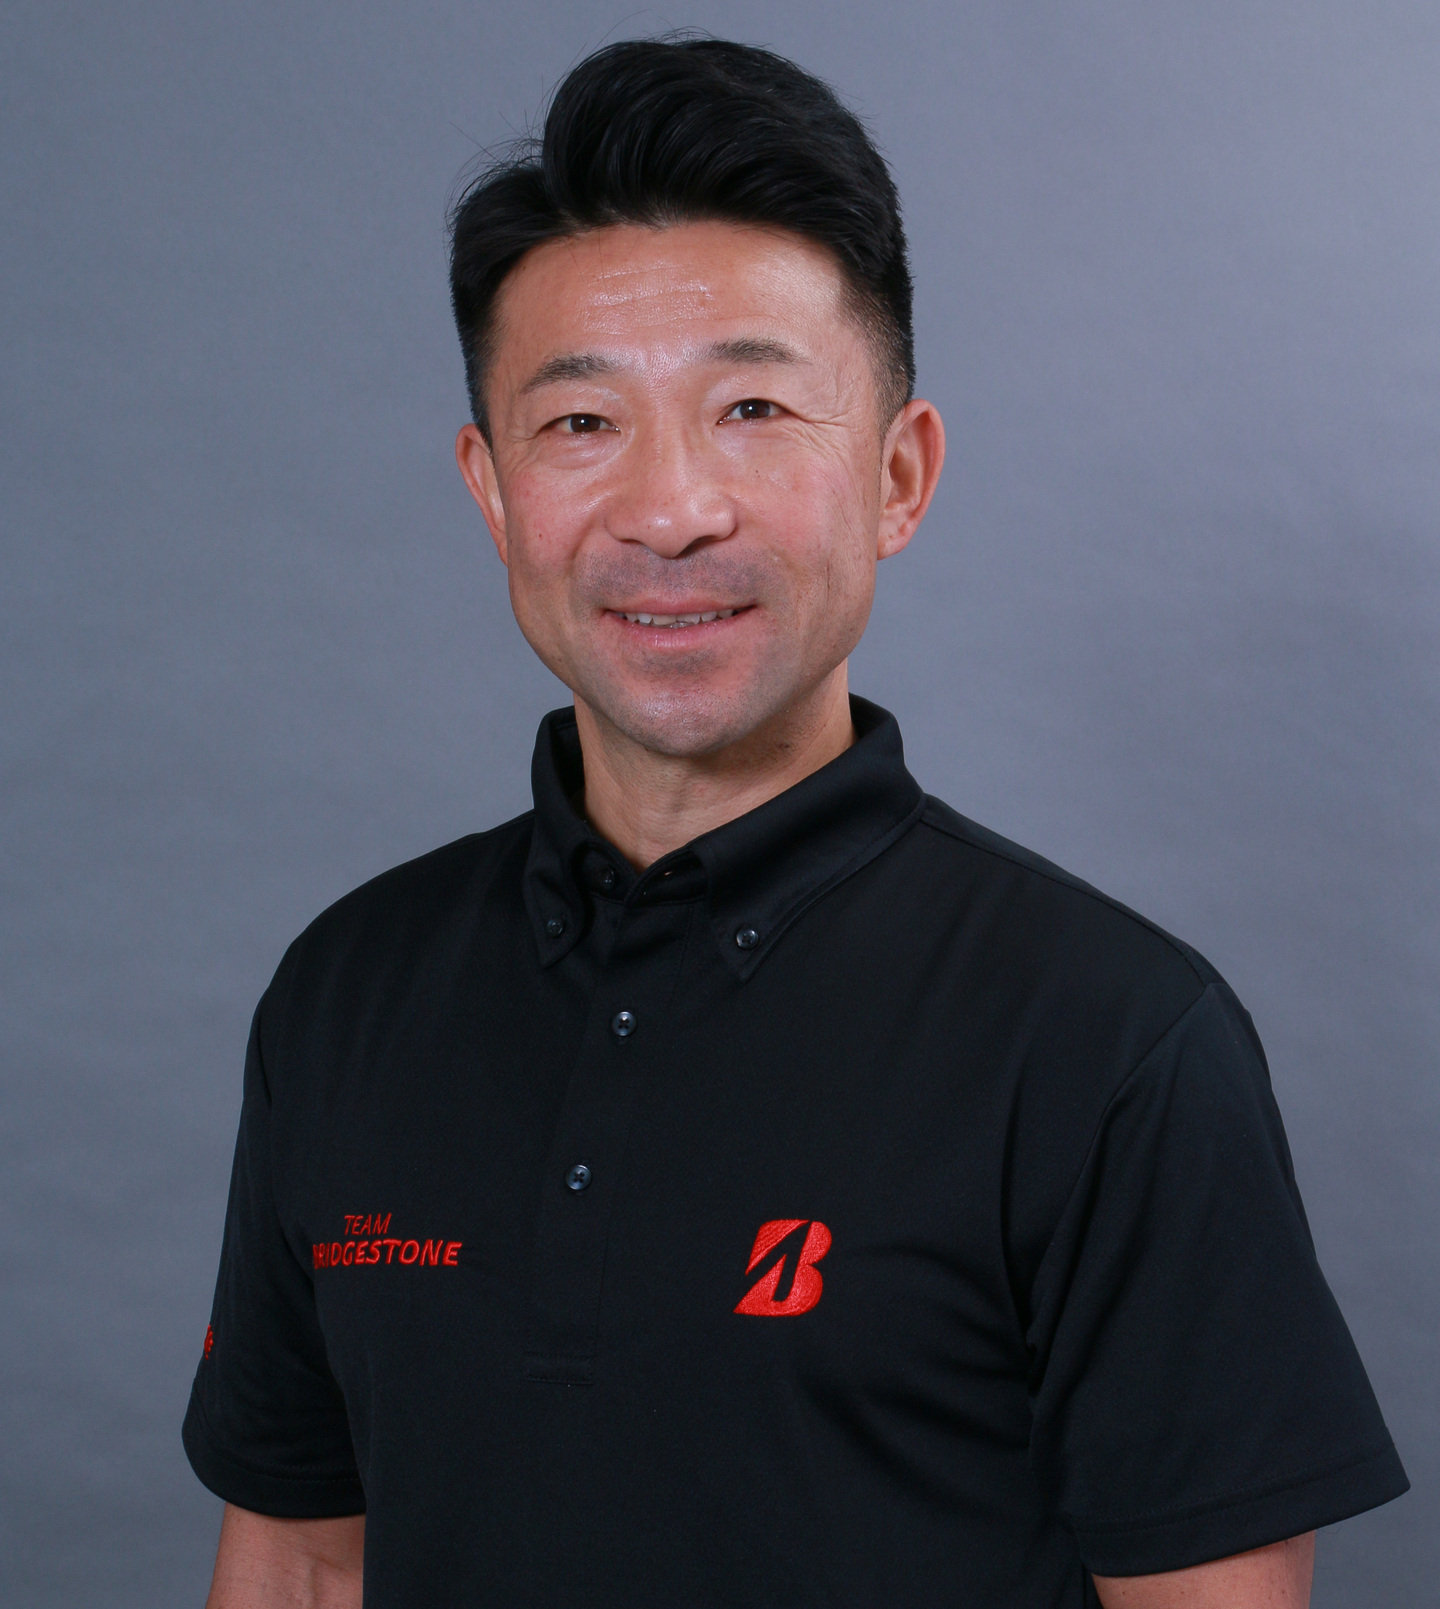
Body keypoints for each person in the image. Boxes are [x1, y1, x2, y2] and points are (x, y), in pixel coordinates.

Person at [183, 36, 1407, 1609]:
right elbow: (302, 1559)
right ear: (491, 489)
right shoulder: (345, 994)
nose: (670, 509)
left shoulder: (1110, 1042)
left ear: (899, 475)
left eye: (752, 406)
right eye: (581, 423)